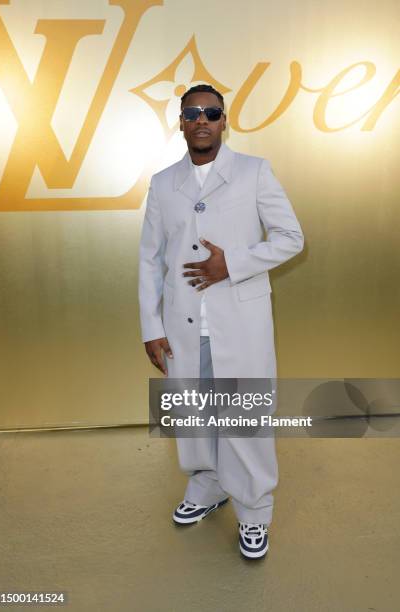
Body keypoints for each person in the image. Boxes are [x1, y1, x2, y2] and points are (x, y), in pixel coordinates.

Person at [138, 84, 304, 559]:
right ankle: (208, 487)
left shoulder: (254, 172)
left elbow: (291, 237)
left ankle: (254, 511)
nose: (202, 120)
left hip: (241, 322)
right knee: (192, 416)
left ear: (224, 120)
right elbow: (151, 260)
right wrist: (151, 325)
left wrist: (233, 263)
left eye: (211, 112)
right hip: (182, 326)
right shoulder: (163, 182)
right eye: (192, 113)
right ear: (182, 122)